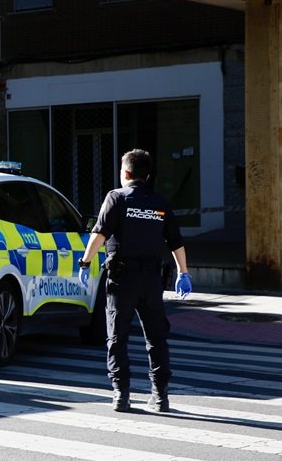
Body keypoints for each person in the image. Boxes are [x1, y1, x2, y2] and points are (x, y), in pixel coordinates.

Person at [78, 148, 191, 413]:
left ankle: (121, 395)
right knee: (156, 338)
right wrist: (183, 273)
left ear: (125, 173)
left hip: (122, 279)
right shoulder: (160, 203)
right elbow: (176, 242)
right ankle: (160, 397)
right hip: (152, 279)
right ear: (147, 175)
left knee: (117, 337)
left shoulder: (116, 198)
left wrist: (85, 262)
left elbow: (100, 234)